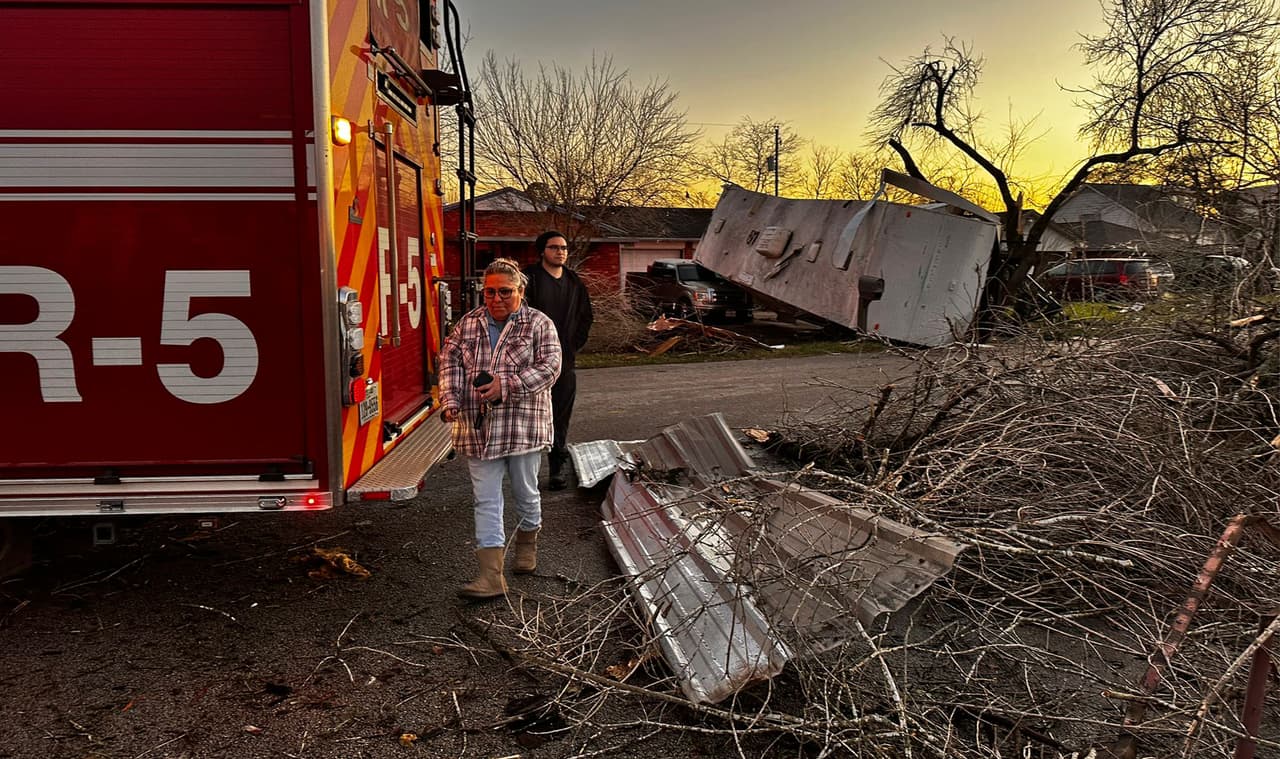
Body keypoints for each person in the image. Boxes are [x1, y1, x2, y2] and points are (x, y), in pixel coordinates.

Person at [440, 258, 562, 599]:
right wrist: (450, 399)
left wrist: (505, 386)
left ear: (520, 291)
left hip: (522, 426)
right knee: (486, 499)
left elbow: (551, 367)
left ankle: (527, 543)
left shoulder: (539, 324)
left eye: (505, 292)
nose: (496, 299)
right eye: (490, 291)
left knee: (526, 491)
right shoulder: (468, 324)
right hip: (477, 428)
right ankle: (490, 575)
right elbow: (449, 360)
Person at [522, 230, 594, 490]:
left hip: (565, 361)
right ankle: (526, 471)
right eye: (554, 248)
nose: (560, 252)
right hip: (532, 361)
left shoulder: (574, 282)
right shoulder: (529, 279)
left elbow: (586, 316)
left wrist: (573, 346)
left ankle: (556, 468)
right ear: (542, 251)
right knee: (530, 415)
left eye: (563, 248)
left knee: (560, 414)